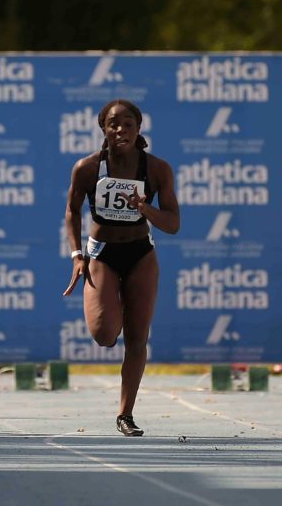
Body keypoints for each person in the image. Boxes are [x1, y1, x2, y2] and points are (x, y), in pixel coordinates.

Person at [63, 99, 180, 436]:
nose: (120, 130)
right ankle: (111, 306)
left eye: (128, 124)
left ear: (138, 129)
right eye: (113, 124)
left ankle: (125, 415)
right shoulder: (87, 168)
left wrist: (145, 209)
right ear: (104, 129)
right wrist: (77, 255)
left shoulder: (157, 169)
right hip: (101, 253)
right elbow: (72, 211)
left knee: (137, 337)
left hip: (140, 253)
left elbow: (173, 224)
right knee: (104, 335)